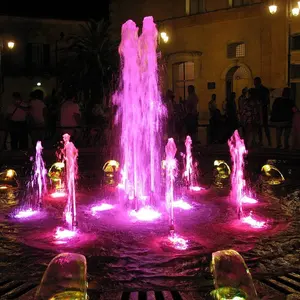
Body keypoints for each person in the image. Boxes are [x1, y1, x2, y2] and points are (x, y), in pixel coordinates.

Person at [254, 77, 271, 146]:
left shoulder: (260, 90)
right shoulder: (264, 90)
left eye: (255, 82)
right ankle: (267, 141)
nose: (254, 84)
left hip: (261, 109)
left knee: (262, 126)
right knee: (262, 126)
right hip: (262, 109)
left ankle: (265, 141)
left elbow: (266, 100)